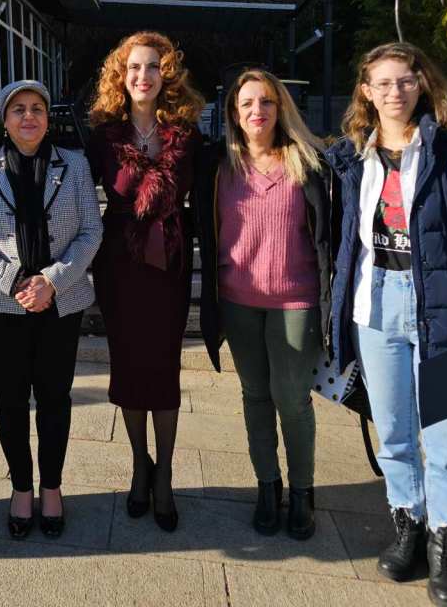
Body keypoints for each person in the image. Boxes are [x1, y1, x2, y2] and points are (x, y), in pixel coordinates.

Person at [327, 42, 447, 606]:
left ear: (421, 84)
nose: (394, 92)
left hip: (445, 308)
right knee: (395, 432)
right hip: (374, 303)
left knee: (446, 439)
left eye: (404, 80)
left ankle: (446, 543)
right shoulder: (352, 155)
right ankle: (408, 524)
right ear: (366, 91)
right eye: (382, 83)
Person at [0, 80, 102, 540]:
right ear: (4, 119)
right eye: (17, 109)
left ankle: (51, 487)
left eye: (37, 108)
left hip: (61, 302)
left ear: (47, 117)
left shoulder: (74, 165)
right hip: (1, 304)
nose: (28, 116)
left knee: (55, 398)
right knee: (10, 400)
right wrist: (15, 280)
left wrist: (51, 281)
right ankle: (21, 487)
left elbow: (91, 231)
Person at [194, 69, 333, 540]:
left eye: (267, 101)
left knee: (291, 399)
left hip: (296, 301)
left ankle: (303, 492)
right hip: (238, 302)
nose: (258, 110)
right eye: (248, 103)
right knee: (255, 396)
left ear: (281, 108)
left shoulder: (308, 162)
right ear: (234, 113)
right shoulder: (218, 166)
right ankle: (267, 487)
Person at [86, 31, 203, 532]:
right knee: (129, 368)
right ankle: (139, 465)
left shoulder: (188, 135)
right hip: (119, 266)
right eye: (134, 67)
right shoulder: (102, 137)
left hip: (169, 266)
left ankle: (165, 474)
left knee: (164, 369)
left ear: (166, 73)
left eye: (152, 66)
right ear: (121, 74)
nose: (143, 75)